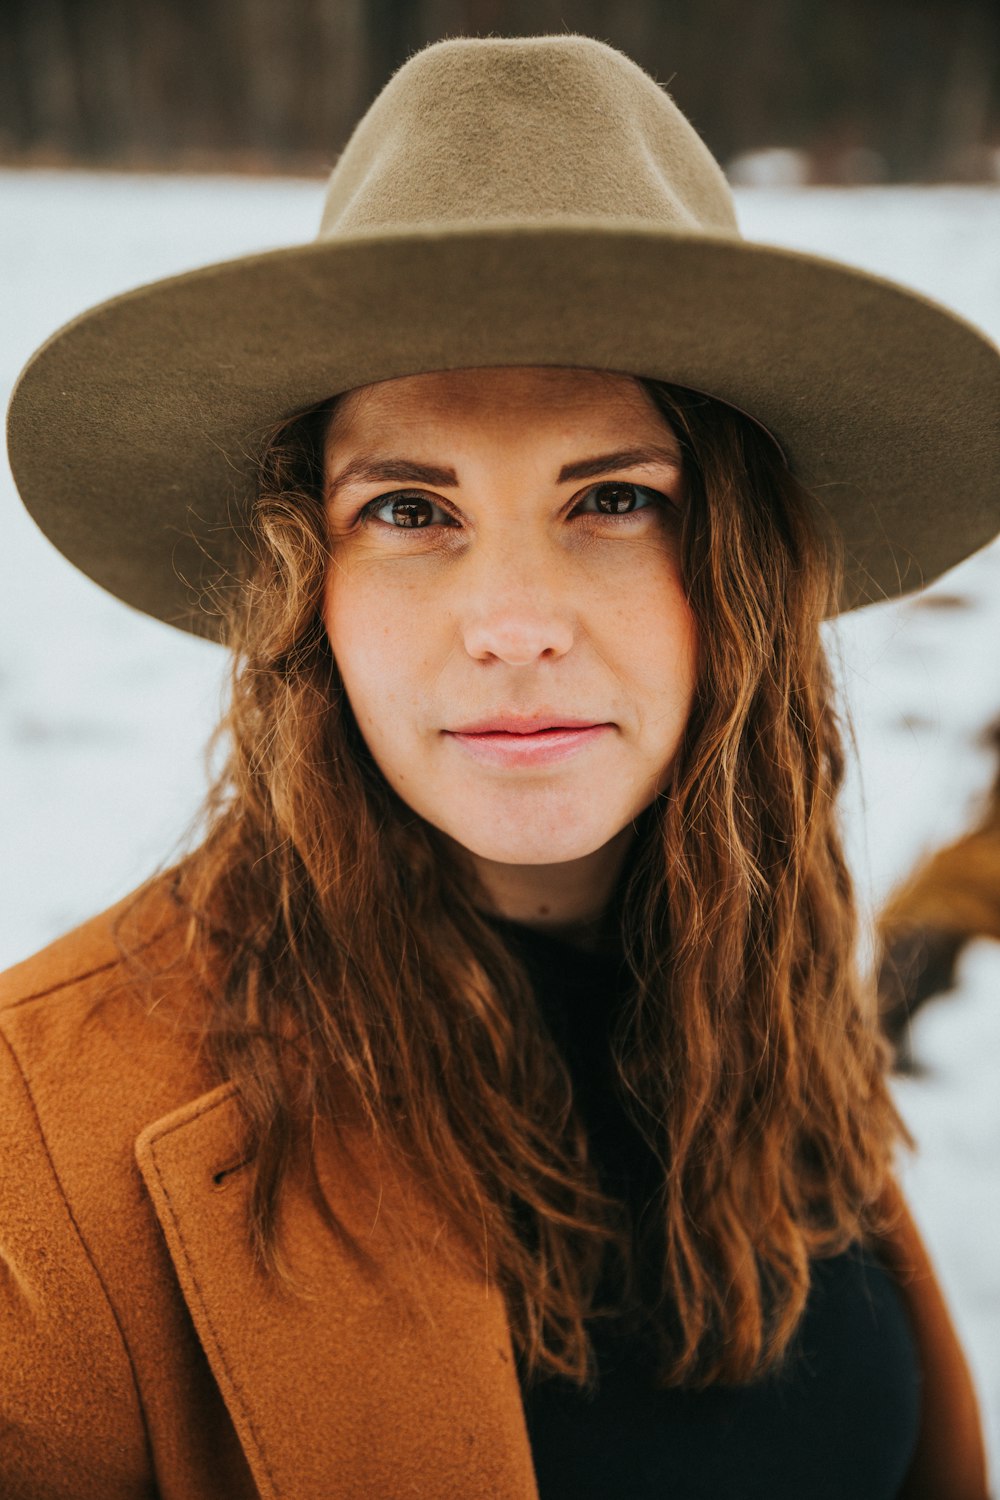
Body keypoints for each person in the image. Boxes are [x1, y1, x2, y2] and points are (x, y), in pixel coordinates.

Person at [2, 33, 997, 1500]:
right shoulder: (38, 1155)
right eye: (410, 508)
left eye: (612, 498)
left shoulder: (764, 1001)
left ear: (744, 563)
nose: (516, 626)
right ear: (302, 588)